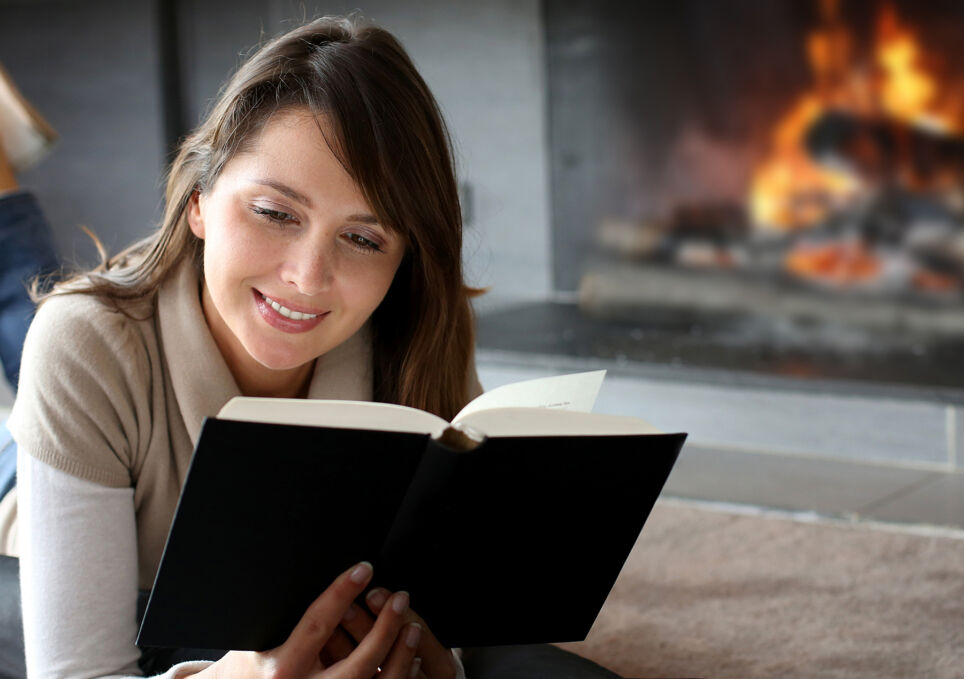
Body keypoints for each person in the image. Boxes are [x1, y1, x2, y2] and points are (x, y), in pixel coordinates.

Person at [0, 17, 622, 679]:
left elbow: (453, 618)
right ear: (199, 201)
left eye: (362, 239)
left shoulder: (407, 333)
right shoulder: (87, 345)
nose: (307, 276)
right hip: (51, 518)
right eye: (274, 212)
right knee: (42, 312)